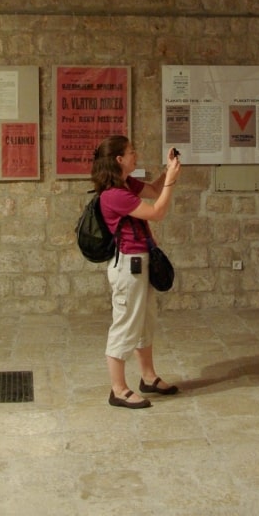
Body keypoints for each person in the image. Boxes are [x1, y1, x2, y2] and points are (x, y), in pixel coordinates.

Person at [91, 136, 182, 409]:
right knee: (125, 324)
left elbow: (154, 190)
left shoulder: (127, 184)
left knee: (145, 321)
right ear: (119, 159)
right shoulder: (114, 194)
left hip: (140, 262)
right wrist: (172, 181)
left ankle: (148, 377)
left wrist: (169, 170)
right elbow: (157, 212)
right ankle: (118, 389)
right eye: (132, 152)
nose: (136, 155)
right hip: (127, 266)